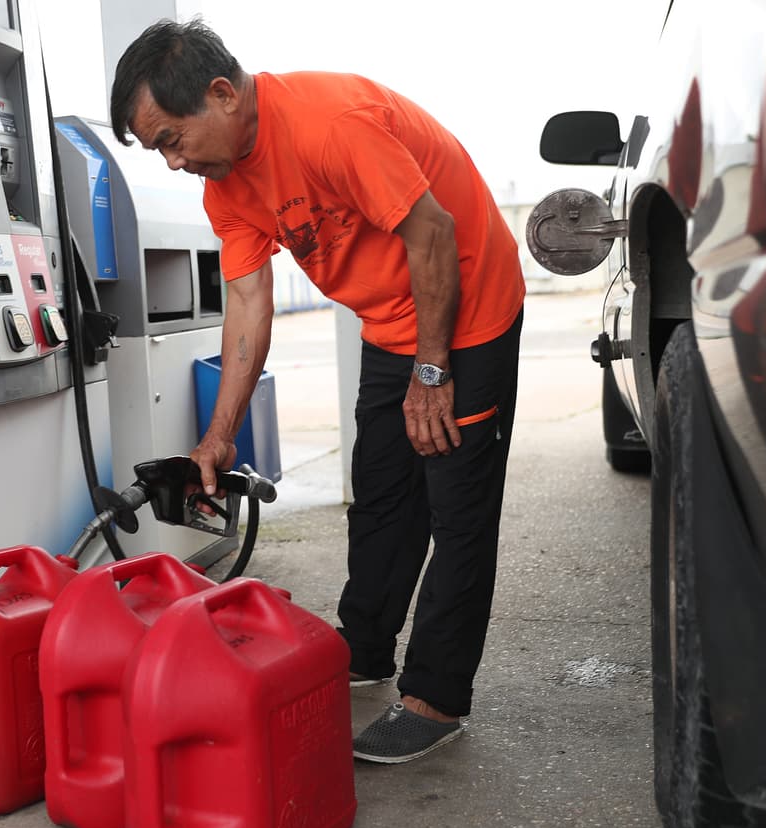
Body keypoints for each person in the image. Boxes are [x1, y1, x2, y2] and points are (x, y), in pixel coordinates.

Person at [110, 19, 525, 764]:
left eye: (171, 139)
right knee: (382, 494)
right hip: (391, 321)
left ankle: (435, 697)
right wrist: (219, 434)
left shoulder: (331, 126)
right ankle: (363, 651)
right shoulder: (224, 183)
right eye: (157, 150)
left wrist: (434, 371)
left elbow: (432, 233)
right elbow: (248, 305)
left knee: (457, 507)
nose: (172, 162)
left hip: (469, 307)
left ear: (222, 93)